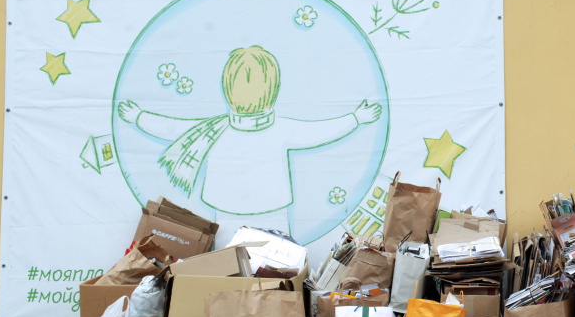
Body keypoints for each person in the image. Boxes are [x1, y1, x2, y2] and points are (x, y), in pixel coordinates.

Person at [119, 45, 382, 218]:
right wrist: (355, 119)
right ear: (274, 87)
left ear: (227, 88)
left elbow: (173, 129)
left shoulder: (213, 129)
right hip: (273, 208)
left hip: (224, 207)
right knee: (278, 271)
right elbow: (319, 131)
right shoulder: (279, 128)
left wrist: (138, 117)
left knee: (227, 269)